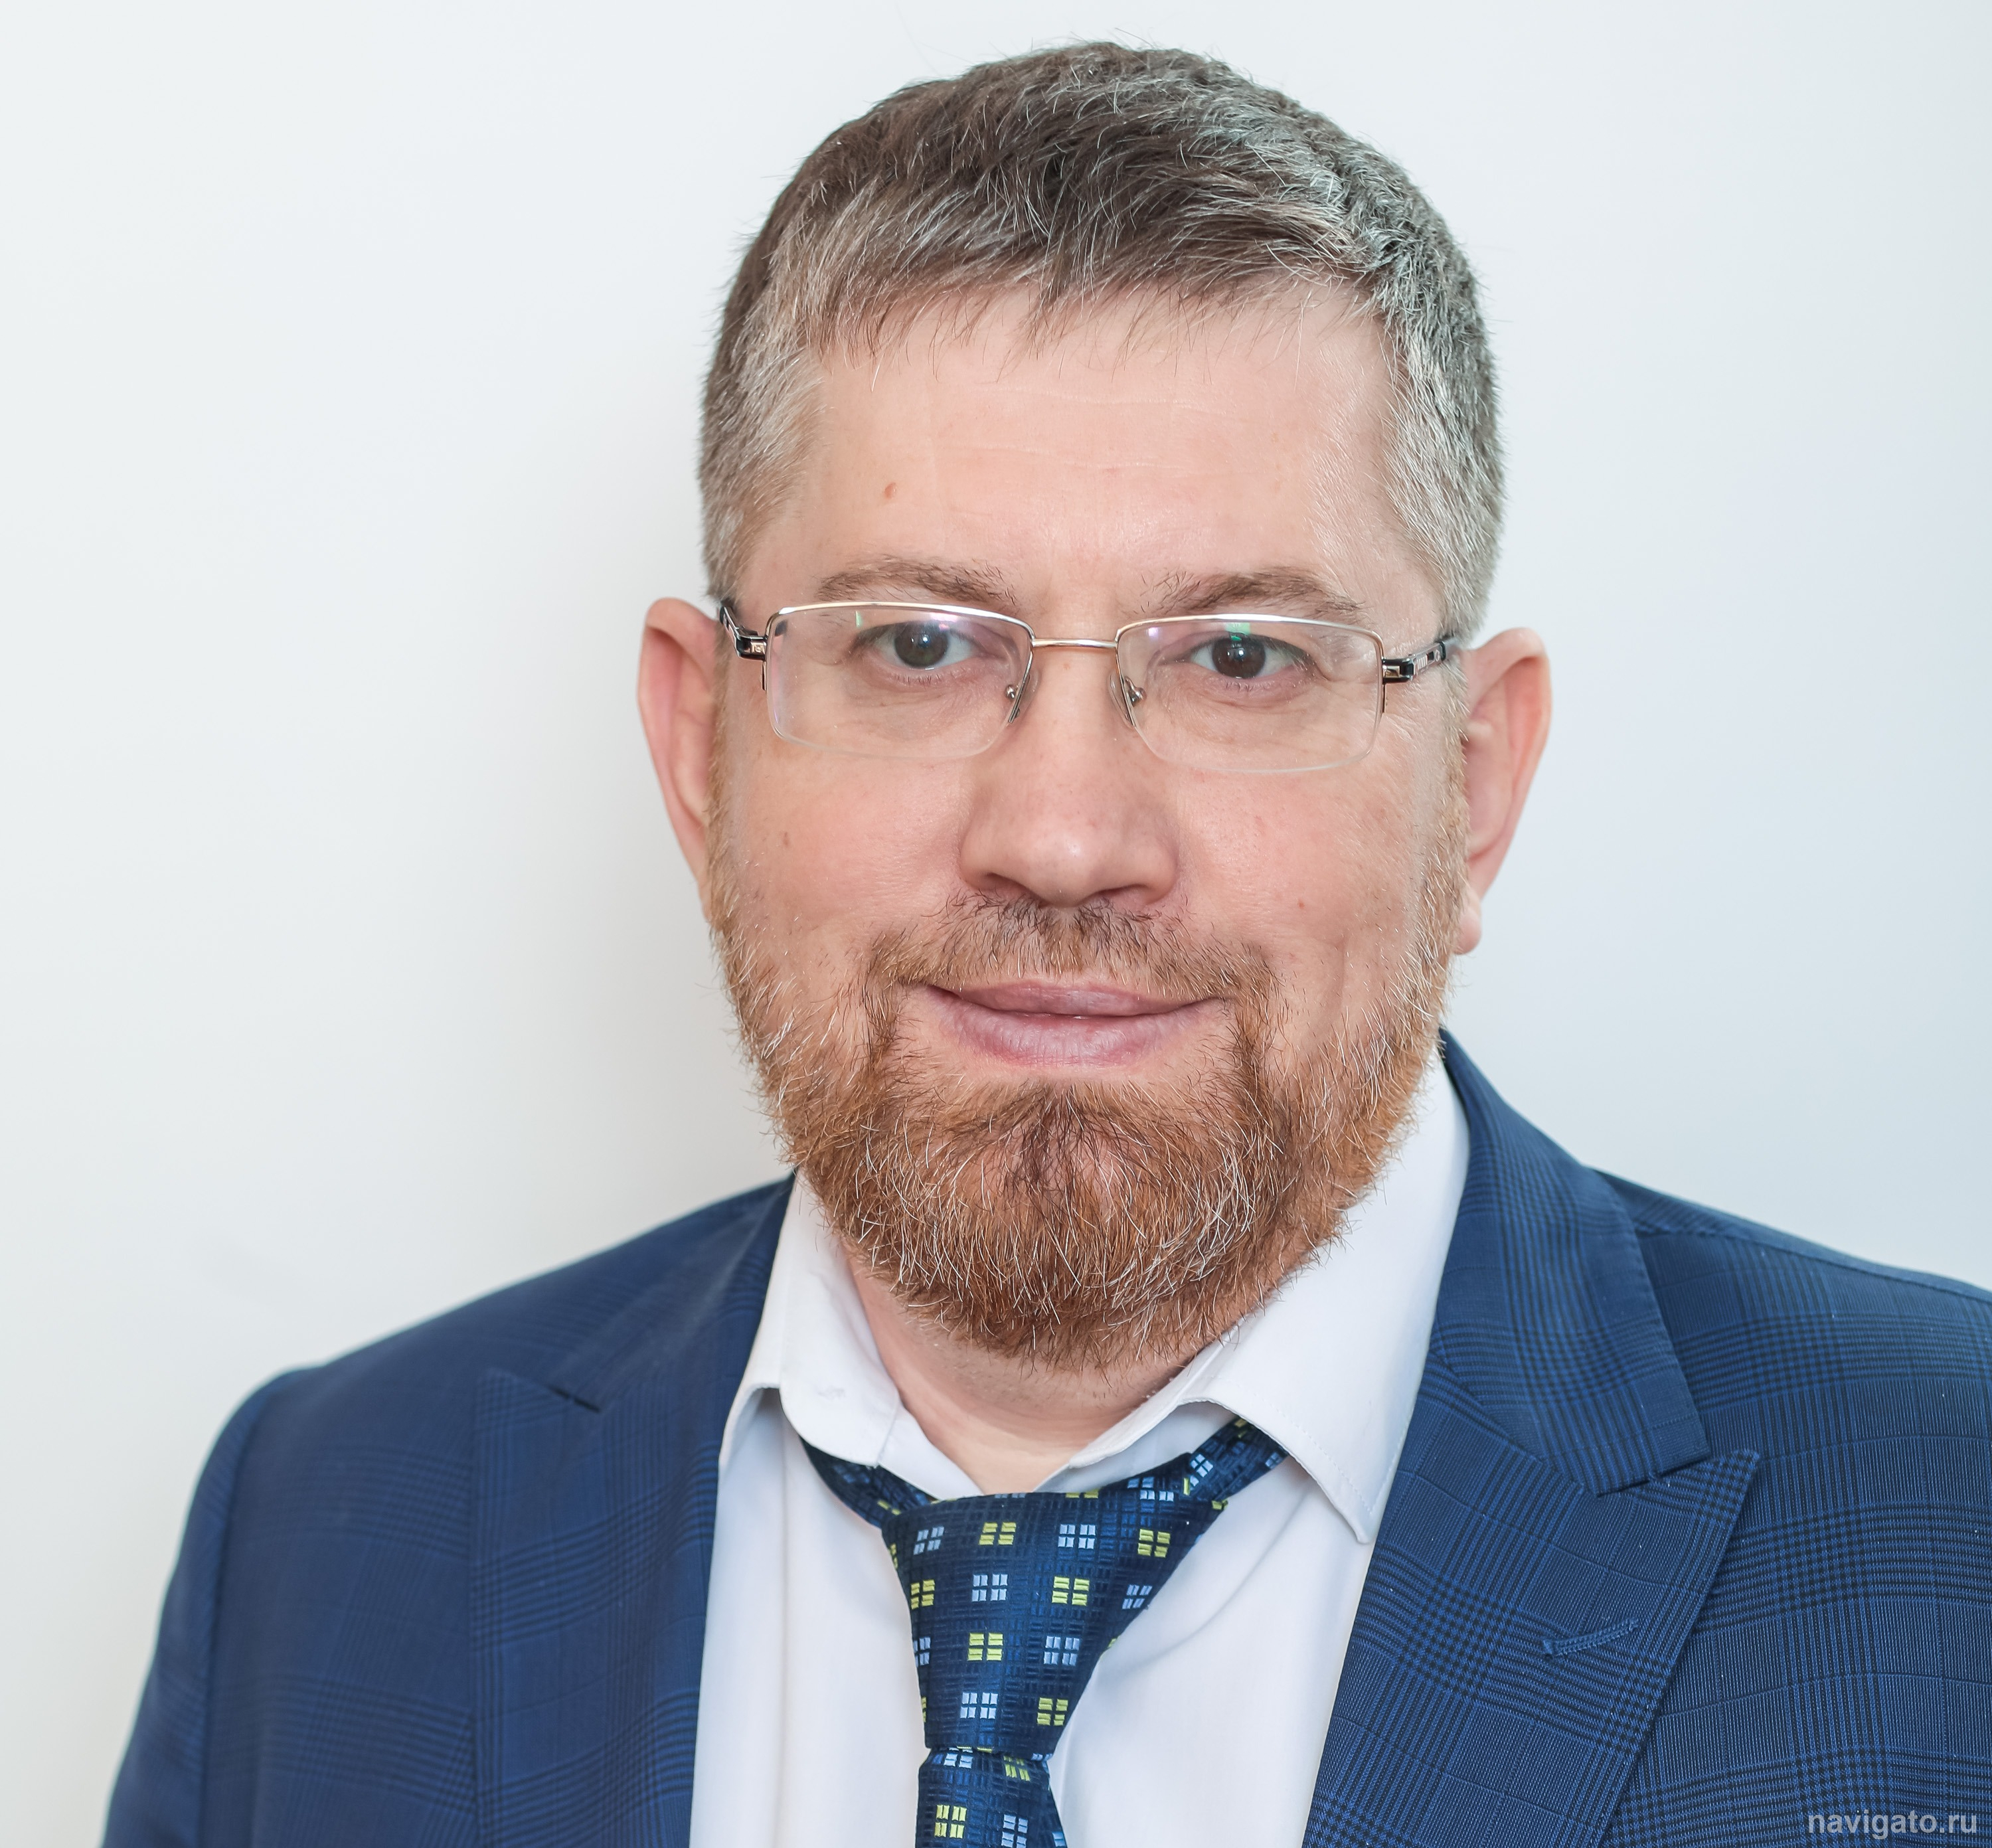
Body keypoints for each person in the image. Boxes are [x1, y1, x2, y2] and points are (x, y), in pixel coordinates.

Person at [106, 42, 1992, 1848]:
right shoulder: (323, 1530)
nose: (1067, 838)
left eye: (1243, 656)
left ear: (1475, 788)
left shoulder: (1950, 1516)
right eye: (919, 645)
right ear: (699, 746)